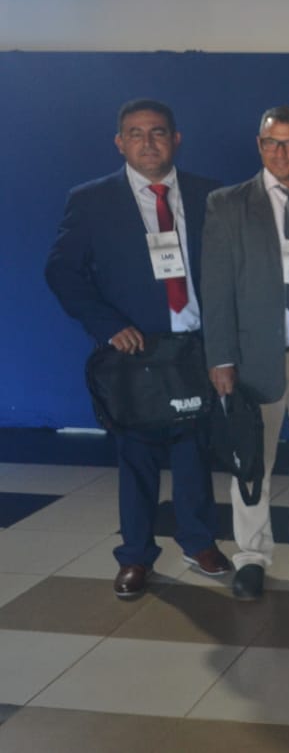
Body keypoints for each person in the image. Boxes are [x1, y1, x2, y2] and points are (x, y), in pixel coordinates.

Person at [45, 98, 231, 599]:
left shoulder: (210, 195)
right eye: (136, 133)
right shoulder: (91, 200)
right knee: (137, 457)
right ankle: (135, 556)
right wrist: (108, 326)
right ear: (119, 142)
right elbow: (62, 271)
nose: (148, 143)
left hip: (194, 345)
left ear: (176, 139)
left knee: (194, 452)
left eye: (158, 132)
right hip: (136, 352)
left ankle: (199, 542)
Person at [201, 105, 289, 601]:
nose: (281, 152)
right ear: (260, 146)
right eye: (271, 143)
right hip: (255, 357)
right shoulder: (227, 204)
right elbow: (216, 288)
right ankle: (252, 553)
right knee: (252, 460)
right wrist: (220, 358)